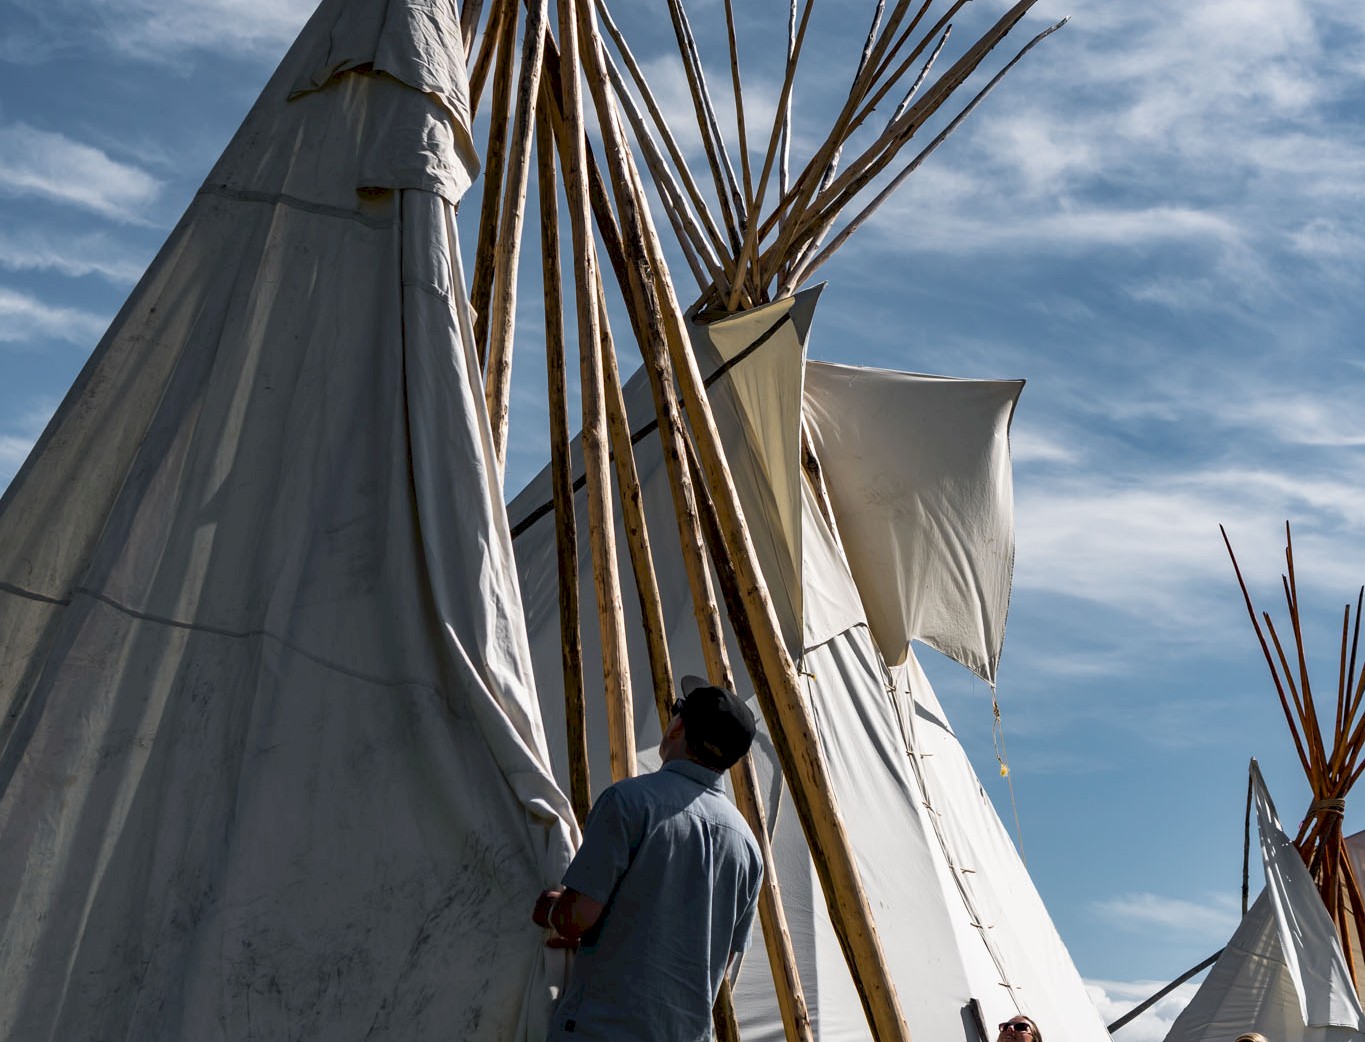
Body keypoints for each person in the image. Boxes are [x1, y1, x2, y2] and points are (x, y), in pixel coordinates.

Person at [532, 676, 764, 1041]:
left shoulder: (629, 802)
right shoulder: (748, 848)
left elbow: (576, 919)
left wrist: (550, 910)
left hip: (602, 1031)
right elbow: (719, 963)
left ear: (678, 727)